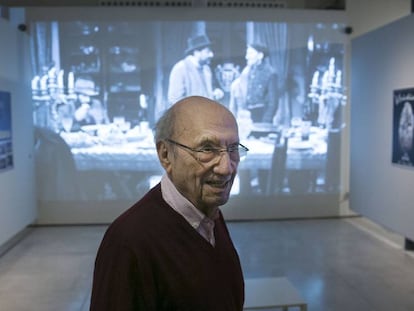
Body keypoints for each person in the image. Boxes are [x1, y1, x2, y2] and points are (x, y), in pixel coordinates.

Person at [90, 96, 247, 310]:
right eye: (207, 149)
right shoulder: (128, 242)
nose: (226, 168)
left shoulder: (208, 215)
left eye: (233, 149)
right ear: (165, 155)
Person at [167, 34, 224, 105]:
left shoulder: (207, 69)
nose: (211, 55)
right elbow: (174, 100)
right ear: (197, 52)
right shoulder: (181, 68)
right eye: (208, 51)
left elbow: (206, 94)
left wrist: (215, 92)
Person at [230, 42, 278, 123]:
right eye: (247, 54)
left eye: (250, 53)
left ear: (260, 56)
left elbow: (273, 103)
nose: (246, 57)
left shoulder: (270, 73)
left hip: (261, 115)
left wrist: (266, 122)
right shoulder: (247, 72)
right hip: (246, 116)